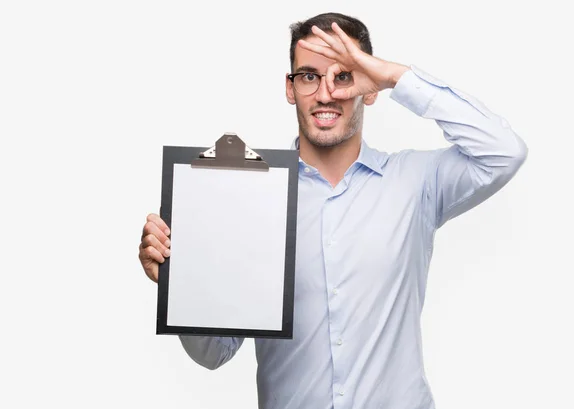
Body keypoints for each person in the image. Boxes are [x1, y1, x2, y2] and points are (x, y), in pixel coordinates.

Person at [138, 12, 528, 409]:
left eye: (344, 76)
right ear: (290, 89)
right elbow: (213, 354)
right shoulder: (248, 200)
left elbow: (504, 152)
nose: (326, 94)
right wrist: (180, 283)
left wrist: (395, 76)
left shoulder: (415, 183)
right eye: (309, 76)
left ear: (369, 88)